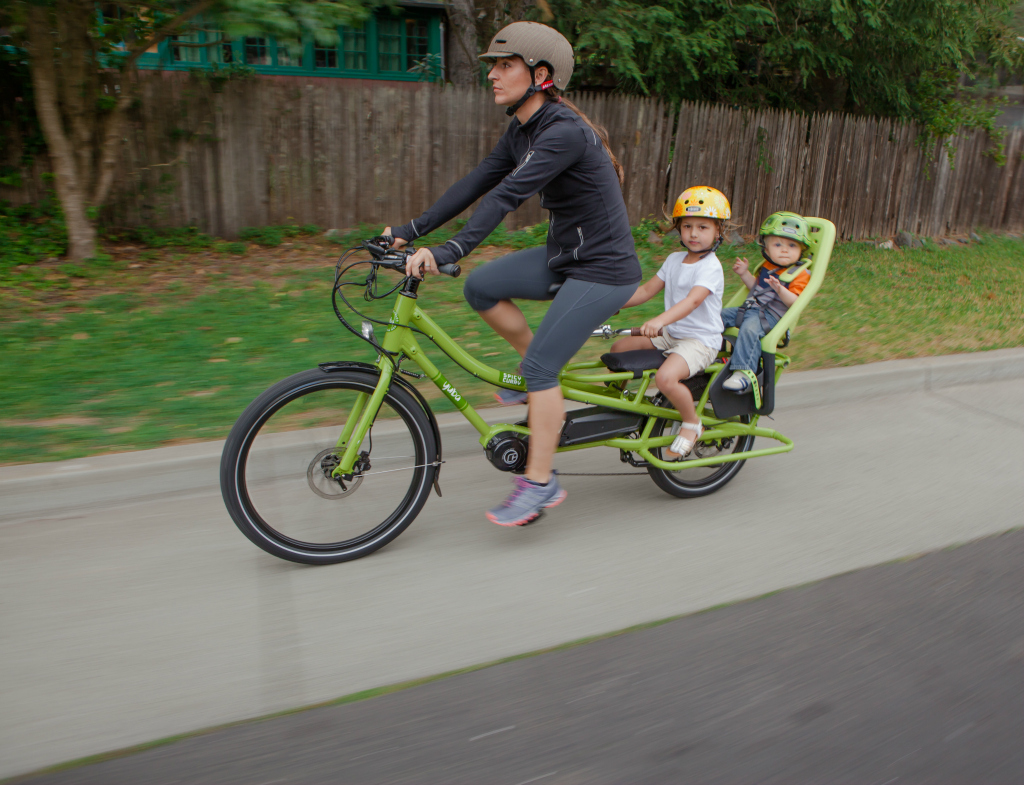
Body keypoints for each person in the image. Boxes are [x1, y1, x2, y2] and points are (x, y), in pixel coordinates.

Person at [383, 22, 642, 527]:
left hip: (605, 270)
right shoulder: (522, 127)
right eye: (493, 67)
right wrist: (409, 229)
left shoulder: (563, 132)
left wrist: (452, 247)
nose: (494, 76)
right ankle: (537, 376)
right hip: (565, 255)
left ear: (540, 75)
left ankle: (541, 482)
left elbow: (505, 196)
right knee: (482, 286)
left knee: (545, 371)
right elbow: (480, 180)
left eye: (505, 66)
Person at [609, 186, 728, 459]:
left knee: (665, 378)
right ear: (678, 228)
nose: (694, 233)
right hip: (672, 335)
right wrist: (610, 303)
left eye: (703, 227)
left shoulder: (710, 266)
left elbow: (692, 302)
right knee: (619, 349)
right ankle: (620, 406)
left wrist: (660, 319)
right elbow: (645, 291)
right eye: (687, 226)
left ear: (718, 231)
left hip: (700, 341)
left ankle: (691, 423)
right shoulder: (674, 260)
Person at [721, 211, 812, 395]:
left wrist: (780, 289)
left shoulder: (800, 273)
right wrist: (744, 273)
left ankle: (744, 373)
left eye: (792, 245)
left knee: (749, 328)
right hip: (751, 308)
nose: (784, 249)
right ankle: (707, 353)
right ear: (767, 249)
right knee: (717, 316)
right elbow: (756, 287)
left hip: (771, 316)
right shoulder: (767, 266)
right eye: (778, 244)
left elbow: (795, 301)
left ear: (801, 249)